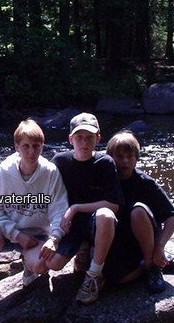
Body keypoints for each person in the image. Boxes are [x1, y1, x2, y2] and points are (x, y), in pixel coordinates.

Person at [0, 119, 68, 322]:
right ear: (17, 147)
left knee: (42, 266)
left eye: (36, 146)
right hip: (6, 233)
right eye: (26, 146)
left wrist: (55, 238)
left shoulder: (50, 172)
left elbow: (60, 210)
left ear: (42, 146)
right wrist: (16, 234)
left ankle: (28, 267)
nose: (31, 152)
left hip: (36, 234)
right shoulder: (5, 173)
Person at [45, 112, 124, 305]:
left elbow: (114, 204)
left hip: (95, 224)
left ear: (98, 138)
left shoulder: (105, 163)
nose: (84, 143)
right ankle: (83, 251)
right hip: (69, 227)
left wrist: (76, 208)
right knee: (53, 264)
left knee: (105, 215)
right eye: (79, 137)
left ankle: (94, 275)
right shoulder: (60, 162)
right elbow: (48, 197)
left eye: (89, 137)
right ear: (71, 139)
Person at [104, 130, 174, 293]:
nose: (125, 161)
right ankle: (163, 262)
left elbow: (173, 217)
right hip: (123, 239)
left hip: (145, 232)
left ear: (137, 158)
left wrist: (160, 246)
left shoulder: (145, 183)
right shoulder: (106, 180)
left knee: (138, 210)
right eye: (119, 157)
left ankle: (152, 267)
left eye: (130, 156)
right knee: (116, 278)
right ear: (110, 158)